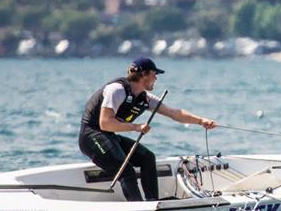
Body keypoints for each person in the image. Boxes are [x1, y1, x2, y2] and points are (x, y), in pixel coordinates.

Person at [78, 57, 217, 201]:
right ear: (143, 74)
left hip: (108, 137)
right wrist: (136, 127)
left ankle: (152, 202)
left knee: (147, 158)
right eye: (154, 74)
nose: (156, 78)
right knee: (126, 171)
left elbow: (174, 113)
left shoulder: (145, 98)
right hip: (91, 137)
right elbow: (105, 123)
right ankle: (138, 206)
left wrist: (201, 121)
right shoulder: (117, 90)